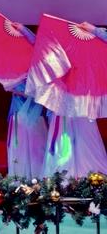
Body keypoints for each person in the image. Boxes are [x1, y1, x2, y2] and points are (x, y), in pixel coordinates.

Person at [39, 21, 107, 177]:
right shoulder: (58, 60)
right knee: (63, 144)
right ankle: (62, 178)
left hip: (83, 101)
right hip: (63, 103)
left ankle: (91, 177)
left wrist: (95, 30)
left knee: (87, 141)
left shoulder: (91, 59)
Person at [4, 22, 47, 179]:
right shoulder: (10, 62)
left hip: (35, 109)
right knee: (19, 146)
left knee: (37, 146)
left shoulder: (38, 62)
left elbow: (37, 43)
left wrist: (22, 29)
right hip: (18, 109)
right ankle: (19, 177)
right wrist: (12, 88)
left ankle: (38, 178)